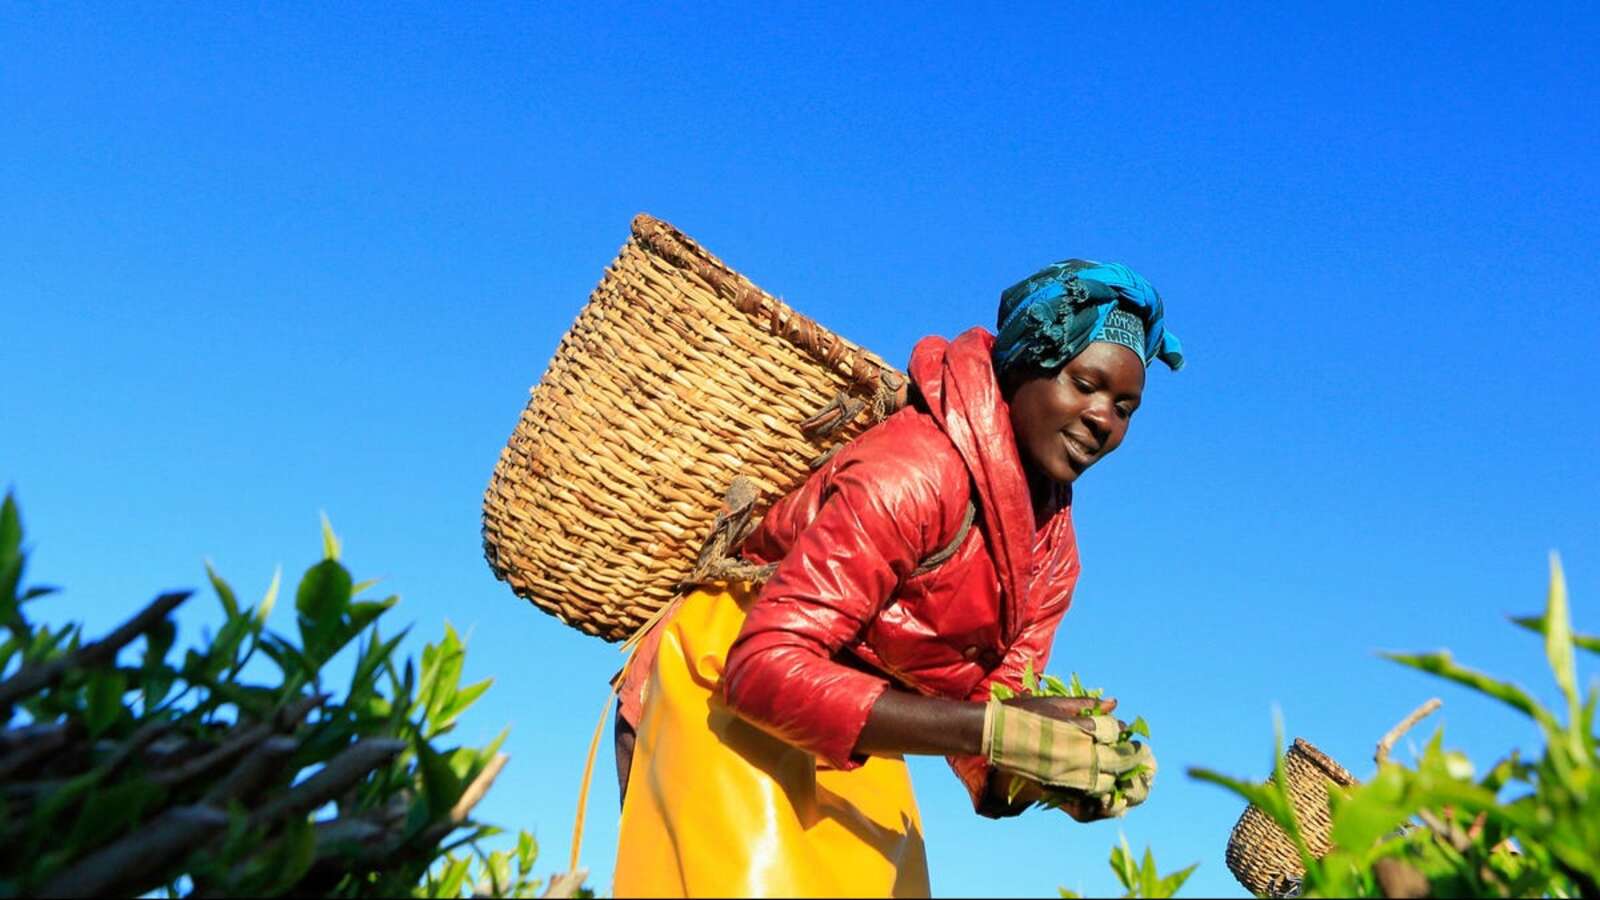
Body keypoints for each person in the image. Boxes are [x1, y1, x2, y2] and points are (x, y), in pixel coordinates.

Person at [610, 259, 1184, 897]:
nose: (1104, 418)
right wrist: (992, 731)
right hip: (729, 683)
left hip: (855, 724)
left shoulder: (1052, 559)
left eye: (1124, 407)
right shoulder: (914, 472)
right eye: (1085, 384)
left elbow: (982, 719)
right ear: (1025, 365)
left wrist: (1044, 772)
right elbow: (762, 669)